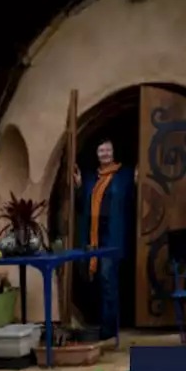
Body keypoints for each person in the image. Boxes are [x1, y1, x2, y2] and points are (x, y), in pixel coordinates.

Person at [74, 139, 134, 340]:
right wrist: (80, 186)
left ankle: (110, 329)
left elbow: (133, 198)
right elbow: (83, 204)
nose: (105, 153)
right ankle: (100, 325)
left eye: (108, 149)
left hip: (112, 235)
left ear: (114, 152)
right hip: (94, 235)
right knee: (97, 281)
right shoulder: (92, 178)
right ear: (97, 154)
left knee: (109, 280)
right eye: (101, 150)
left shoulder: (123, 175)